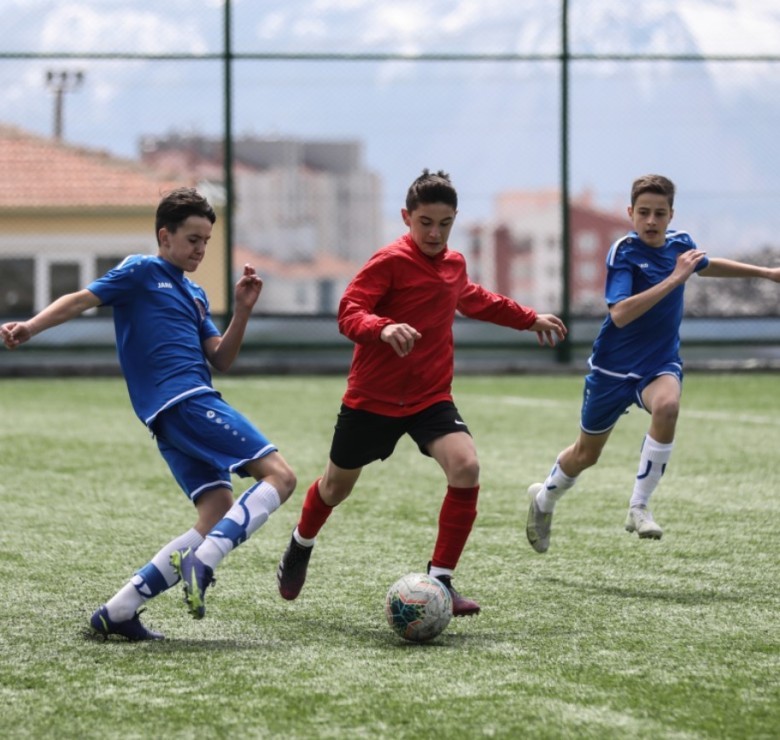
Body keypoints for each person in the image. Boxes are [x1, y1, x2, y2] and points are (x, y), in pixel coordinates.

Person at [1, 187, 296, 640]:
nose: (200, 249)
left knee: (217, 510)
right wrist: (30, 326)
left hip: (170, 420)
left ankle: (118, 611)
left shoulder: (195, 294)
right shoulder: (141, 271)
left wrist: (242, 310)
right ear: (164, 236)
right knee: (281, 477)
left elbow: (221, 358)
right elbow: (80, 299)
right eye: (193, 239)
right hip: (186, 403)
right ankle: (204, 561)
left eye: (206, 241)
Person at [276, 169, 567, 616]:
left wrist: (529, 318)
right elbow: (349, 311)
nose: (435, 233)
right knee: (335, 487)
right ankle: (301, 544)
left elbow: (474, 298)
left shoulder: (454, 264)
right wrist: (382, 327)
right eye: (425, 222)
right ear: (406, 217)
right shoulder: (388, 261)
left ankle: (441, 580)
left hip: (430, 397)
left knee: (466, 466)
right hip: (373, 398)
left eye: (444, 223)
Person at [526, 173, 780, 553]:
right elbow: (620, 314)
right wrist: (675, 279)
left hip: (658, 364)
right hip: (612, 370)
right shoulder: (623, 252)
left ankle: (639, 506)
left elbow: (706, 265)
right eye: (643, 212)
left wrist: (766, 273)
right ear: (630, 213)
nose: (650, 220)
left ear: (670, 215)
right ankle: (544, 499)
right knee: (586, 454)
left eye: (659, 213)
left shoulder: (680, 245)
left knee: (668, 406)